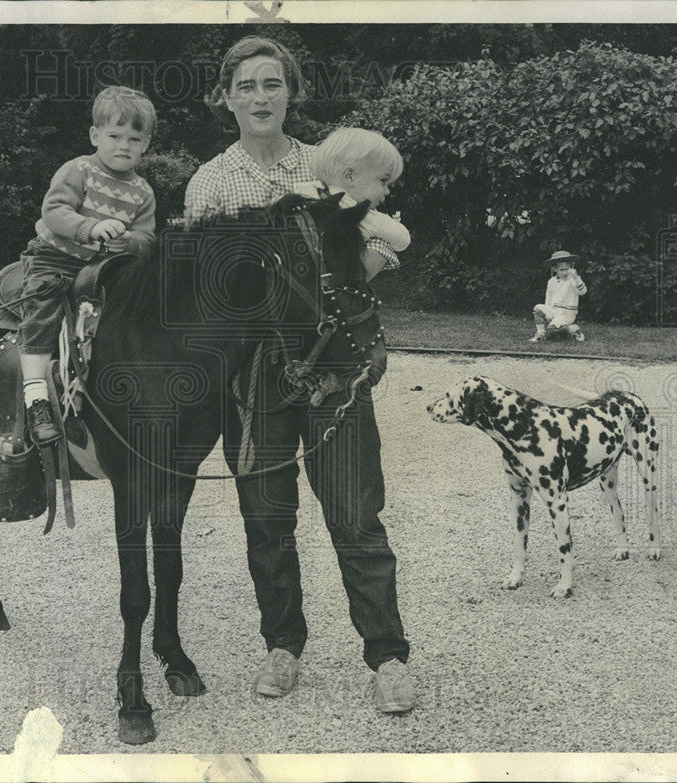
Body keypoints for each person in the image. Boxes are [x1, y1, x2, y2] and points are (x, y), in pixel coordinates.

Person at [184, 35, 417, 713]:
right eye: (247, 85)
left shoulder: (327, 163)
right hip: (252, 380)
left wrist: (351, 279)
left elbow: (386, 234)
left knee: (355, 517)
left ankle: (389, 657)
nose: (261, 96)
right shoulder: (209, 183)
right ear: (225, 96)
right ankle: (282, 646)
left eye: (273, 84)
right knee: (268, 519)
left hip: (334, 373)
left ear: (291, 93)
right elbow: (200, 291)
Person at [18, 86, 157, 443]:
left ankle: (109, 392)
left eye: (134, 138)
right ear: (95, 135)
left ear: (146, 144)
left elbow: (147, 238)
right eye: (114, 135)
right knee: (44, 307)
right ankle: (36, 397)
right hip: (56, 258)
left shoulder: (143, 191)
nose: (123, 145)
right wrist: (90, 227)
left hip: (103, 269)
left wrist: (129, 242)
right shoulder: (79, 169)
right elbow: (55, 211)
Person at [293, 127, 410, 281]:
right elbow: (403, 239)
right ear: (349, 176)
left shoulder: (303, 193)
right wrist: (382, 224)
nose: (387, 191)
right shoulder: (361, 214)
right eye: (383, 181)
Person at [529, 250, 587, 342]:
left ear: (571, 268)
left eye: (567, 269)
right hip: (554, 310)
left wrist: (576, 278)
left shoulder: (573, 280)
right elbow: (548, 298)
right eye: (562, 270)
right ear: (555, 269)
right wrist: (547, 314)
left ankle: (573, 329)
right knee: (537, 308)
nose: (565, 272)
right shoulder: (551, 281)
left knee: (553, 329)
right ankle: (541, 333)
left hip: (567, 313)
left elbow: (582, 292)